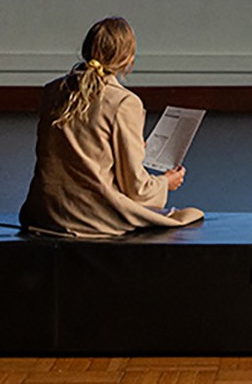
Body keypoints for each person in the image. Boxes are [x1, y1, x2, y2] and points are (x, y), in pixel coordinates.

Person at [19, 16, 204, 237]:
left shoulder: (52, 90)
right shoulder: (124, 102)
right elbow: (135, 188)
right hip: (88, 217)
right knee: (191, 215)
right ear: (128, 59)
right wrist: (165, 182)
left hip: (42, 214)